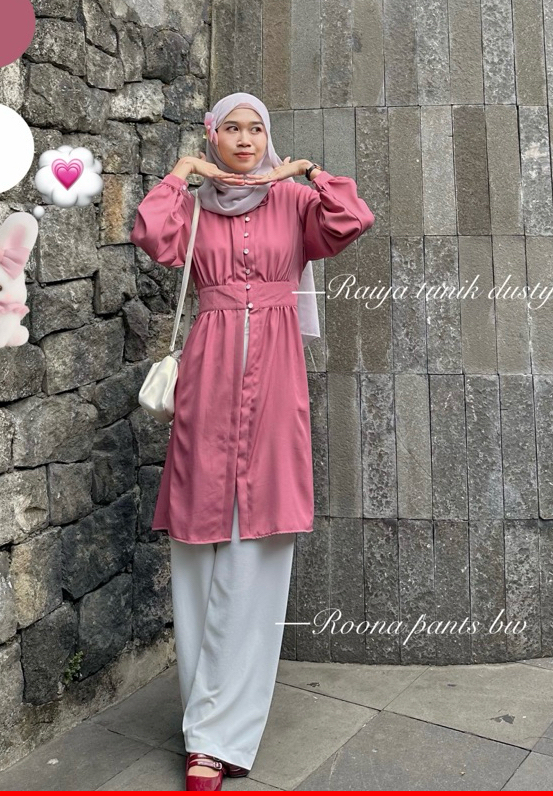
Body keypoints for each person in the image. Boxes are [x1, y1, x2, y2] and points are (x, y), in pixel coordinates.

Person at [129, 92, 375, 791]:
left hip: (274, 387)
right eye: (231, 128)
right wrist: (182, 174)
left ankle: (218, 739)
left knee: (257, 553)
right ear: (212, 136)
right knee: (197, 551)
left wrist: (308, 173)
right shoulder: (195, 205)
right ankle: (203, 723)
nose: (244, 139)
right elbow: (151, 234)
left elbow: (351, 218)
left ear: (268, 137)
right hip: (207, 385)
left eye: (256, 129)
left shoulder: (294, 203)